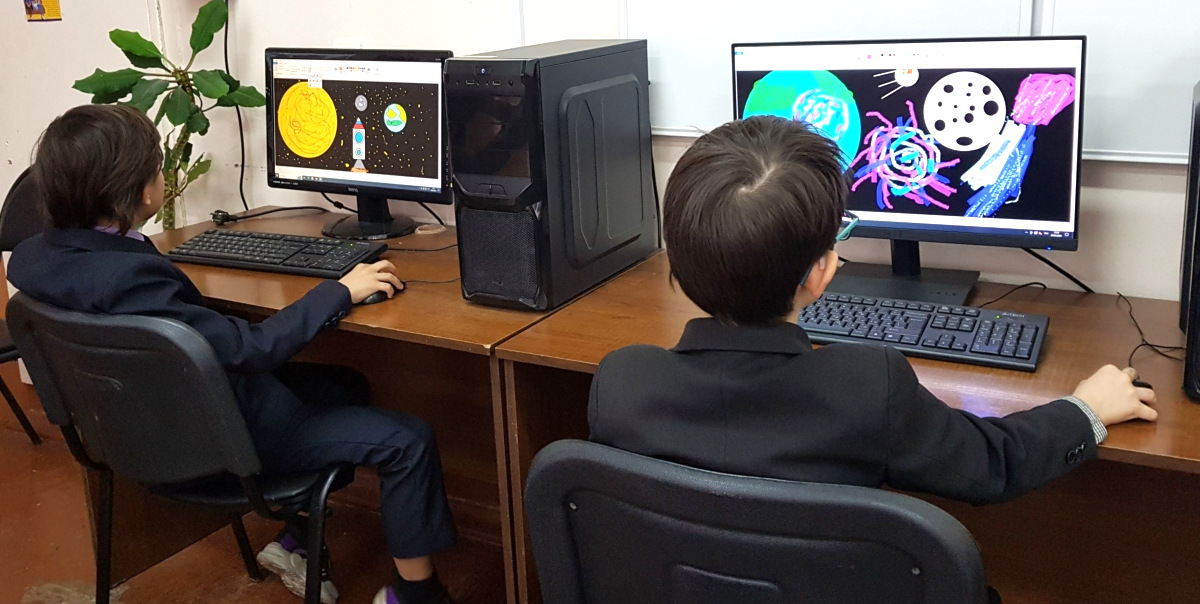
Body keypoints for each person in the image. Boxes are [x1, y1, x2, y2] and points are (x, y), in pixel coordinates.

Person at [589, 116, 1157, 512]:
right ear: (820, 271)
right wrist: (1086, 410)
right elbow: (994, 465)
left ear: (678, 263)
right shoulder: (866, 387)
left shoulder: (620, 383)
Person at [10, 104, 455, 604]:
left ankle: (297, 542)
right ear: (142, 192)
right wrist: (339, 290)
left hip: (128, 435)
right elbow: (251, 349)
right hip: (219, 440)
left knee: (342, 384)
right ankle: (418, 596)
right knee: (409, 441)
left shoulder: (35, 260)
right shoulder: (132, 279)